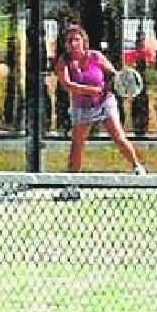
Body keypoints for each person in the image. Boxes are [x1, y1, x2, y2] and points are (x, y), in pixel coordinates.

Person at [54, 23, 146, 200]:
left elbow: (114, 75)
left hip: (105, 102)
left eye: (76, 39)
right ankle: (72, 186)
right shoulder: (63, 62)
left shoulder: (96, 56)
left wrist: (123, 88)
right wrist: (90, 90)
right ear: (65, 44)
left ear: (83, 41)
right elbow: (68, 85)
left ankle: (138, 170)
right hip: (82, 107)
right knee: (77, 145)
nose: (73, 43)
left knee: (119, 137)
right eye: (69, 40)